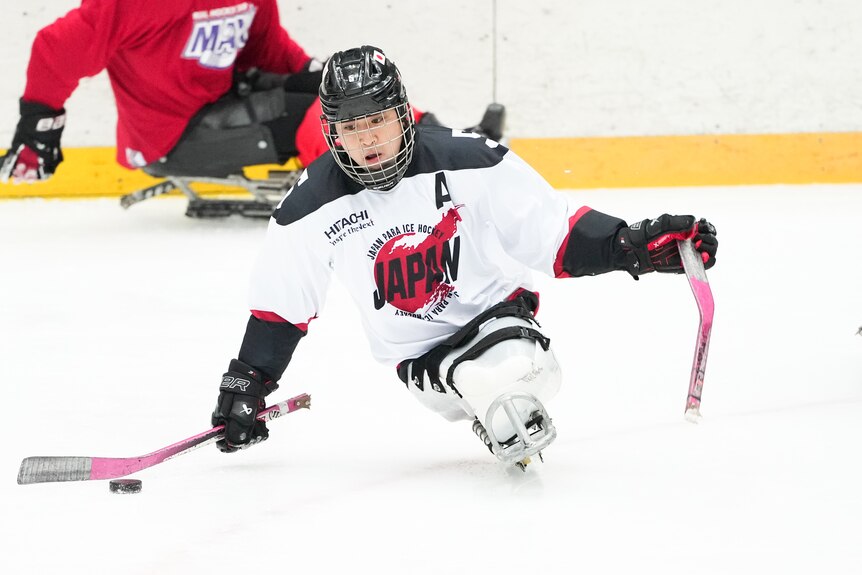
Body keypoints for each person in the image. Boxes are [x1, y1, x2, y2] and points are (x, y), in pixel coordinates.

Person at [210, 45, 718, 467]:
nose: (367, 140)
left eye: (379, 121)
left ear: (403, 113)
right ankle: (490, 404)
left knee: (511, 369)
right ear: (330, 131)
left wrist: (635, 245)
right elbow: (280, 307)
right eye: (351, 126)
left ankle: (500, 404)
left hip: (499, 318)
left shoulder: (472, 159)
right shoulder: (307, 207)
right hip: (421, 359)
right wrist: (247, 384)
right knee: (484, 379)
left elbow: (554, 234)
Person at [0, 0, 494, 187]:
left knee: (348, 93)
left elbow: (267, 48)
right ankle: (401, 174)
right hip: (174, 134)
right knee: (318, 118)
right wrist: (38, 126)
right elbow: (57, 46)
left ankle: (444, 141)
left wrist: (311, 73)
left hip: (224, 99)